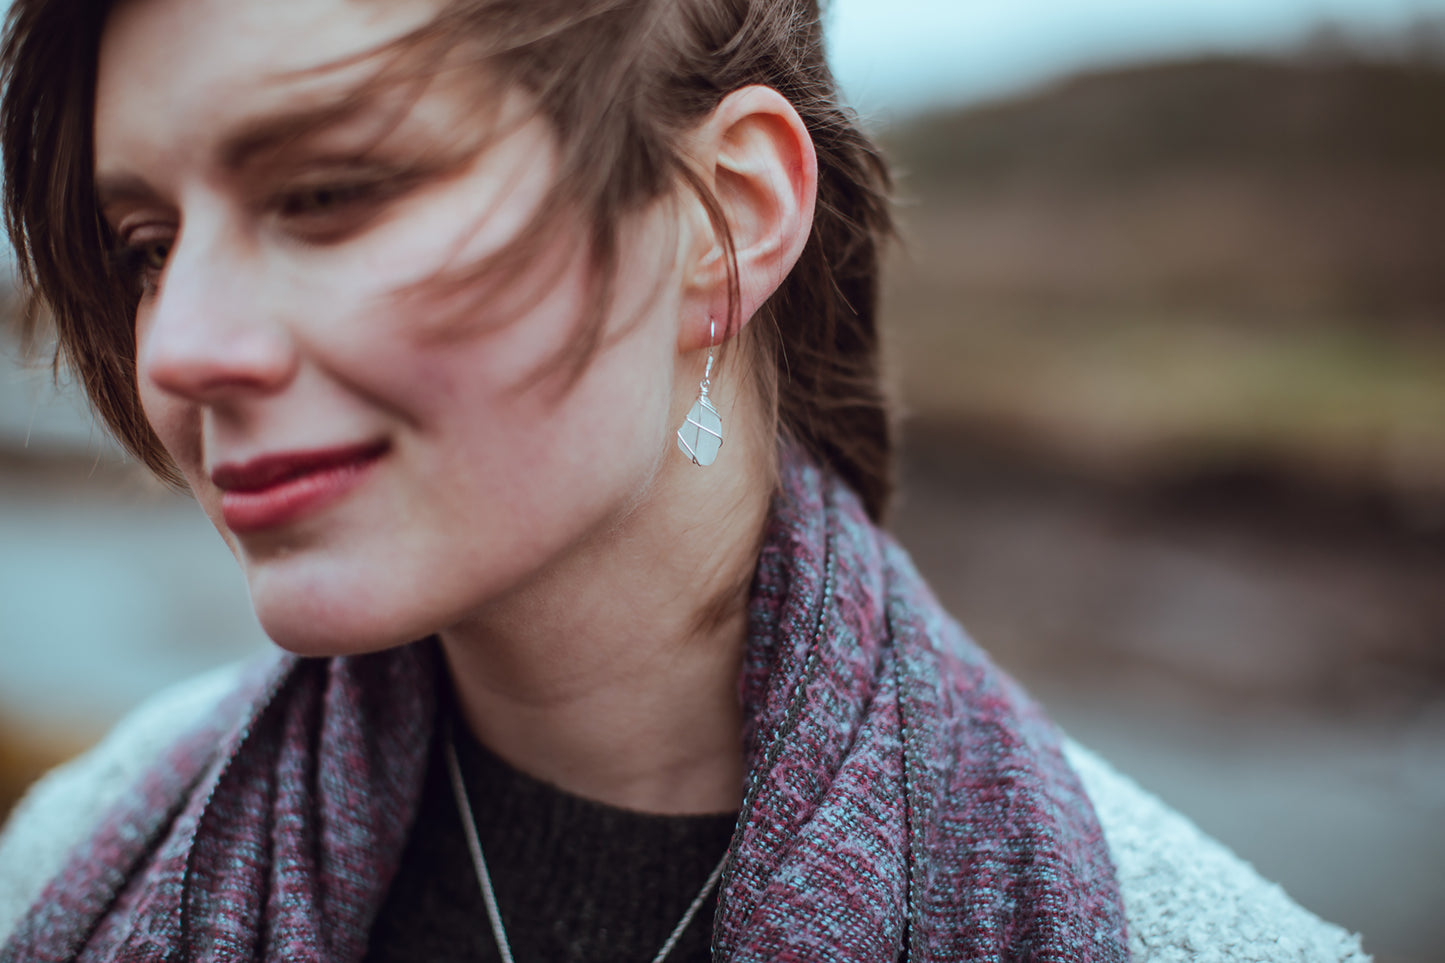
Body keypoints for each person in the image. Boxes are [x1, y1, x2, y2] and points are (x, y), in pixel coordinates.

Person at [0, 0, 1370, 960]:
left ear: (724, 226)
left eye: (325, 193)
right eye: (144, 245)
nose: (177, 347)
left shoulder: (1182, 942)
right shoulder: (77, 849)